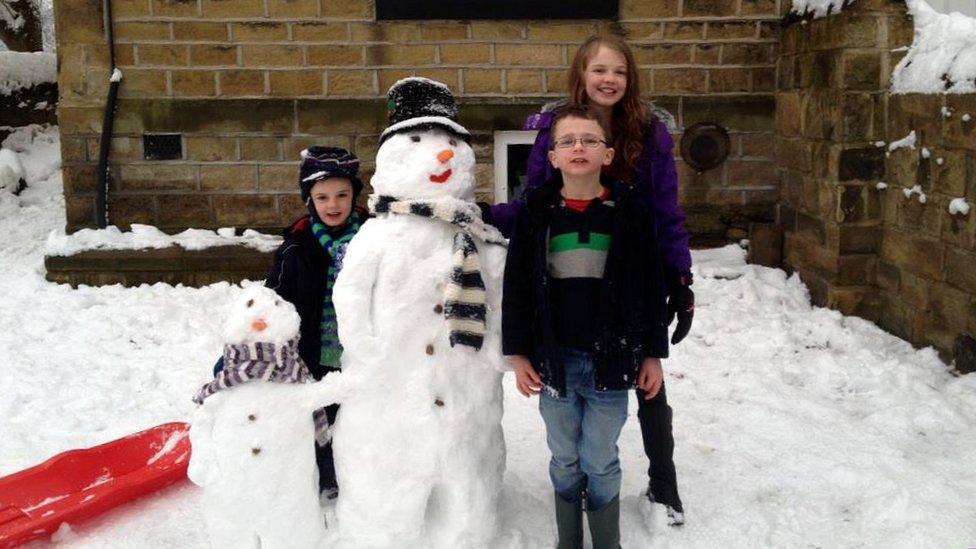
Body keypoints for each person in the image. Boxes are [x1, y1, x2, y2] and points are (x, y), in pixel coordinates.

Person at [487, 34, 694, 526]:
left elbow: (665, 210)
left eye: (619, 71)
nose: (609, 79)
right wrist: (483, 216)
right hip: (572, 267)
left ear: (630, 79)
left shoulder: (650, 133)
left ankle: (663, 478)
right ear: (581, 75)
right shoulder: (559, 131)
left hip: (635, 267)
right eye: (598, 70)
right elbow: (534, 203)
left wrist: (679, 277)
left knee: (645, 373)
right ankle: (579, 481)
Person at [502, 105, 669, 548]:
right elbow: (517, 286)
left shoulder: (630, 212)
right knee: (563, 456)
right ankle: (569, 539)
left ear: (608, 154)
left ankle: (606, 540)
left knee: (598, 456)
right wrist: (518, 353)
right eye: (567, 141)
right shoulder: (536, 212)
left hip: (611, 363)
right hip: (554, 361)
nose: (578, 147)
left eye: (590, 140)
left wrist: (651, 351)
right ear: (552, 156)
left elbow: (651, 286)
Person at [265, 145, 366, 498]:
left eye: (342, 194)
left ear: (355, 195)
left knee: (358, 417)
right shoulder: (295, 248)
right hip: (311, 352)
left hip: (361, 350)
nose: (333, 204)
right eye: (322, 197)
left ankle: (360, 477)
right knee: (319, 416)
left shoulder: (372, 238)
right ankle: (324, 477)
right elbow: (273, 302)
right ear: (309, 200)